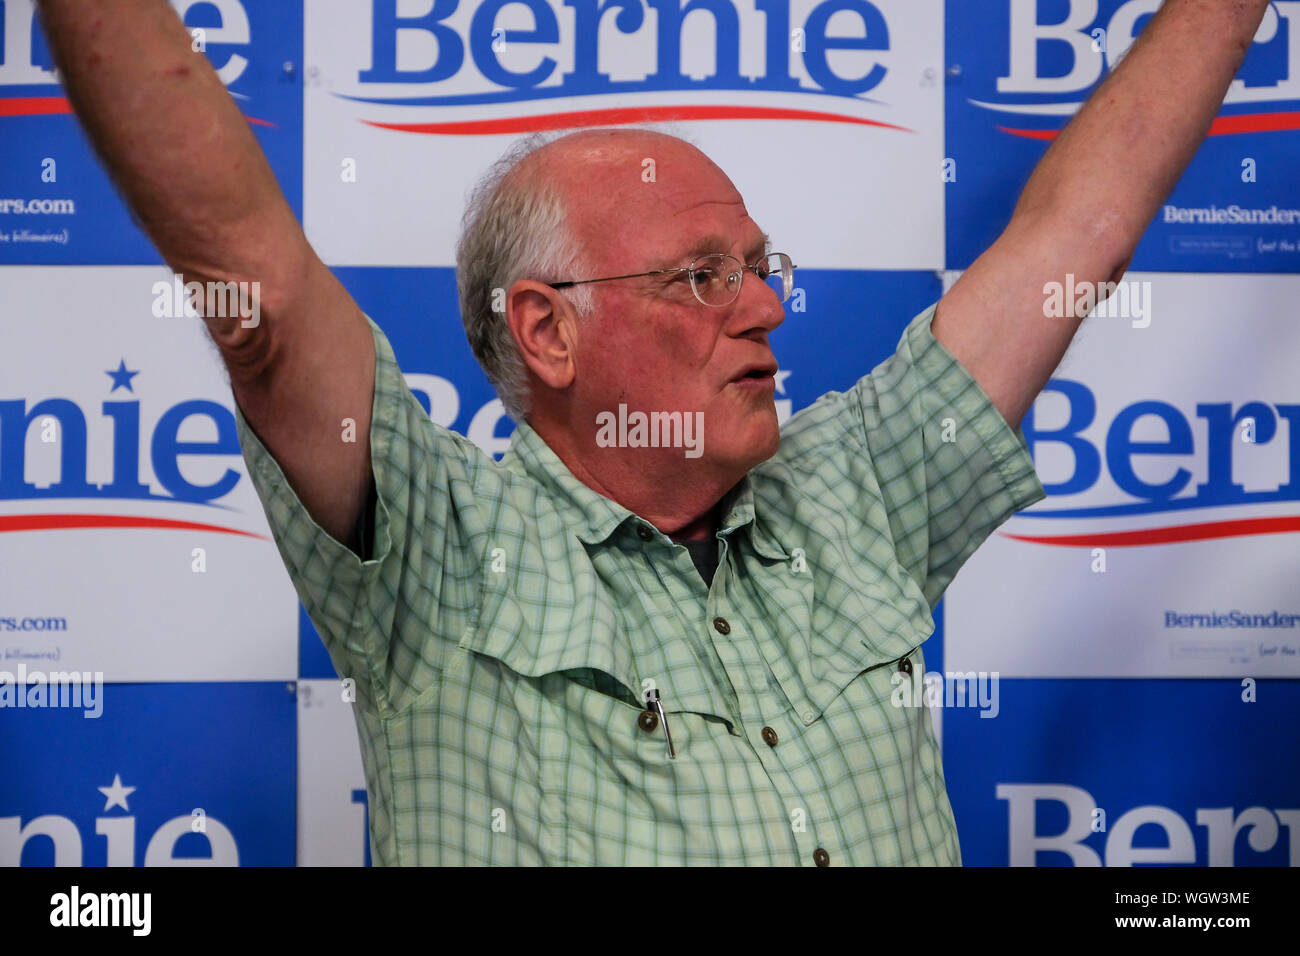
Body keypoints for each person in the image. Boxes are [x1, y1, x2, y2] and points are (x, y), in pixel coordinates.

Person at [39, 0, 1273, 865]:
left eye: (758, 265)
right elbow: (251, 277)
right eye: (702, 276)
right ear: (547, 331)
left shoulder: (859, 488)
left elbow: (1072, 238)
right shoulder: (436, 546)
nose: (769, 305)